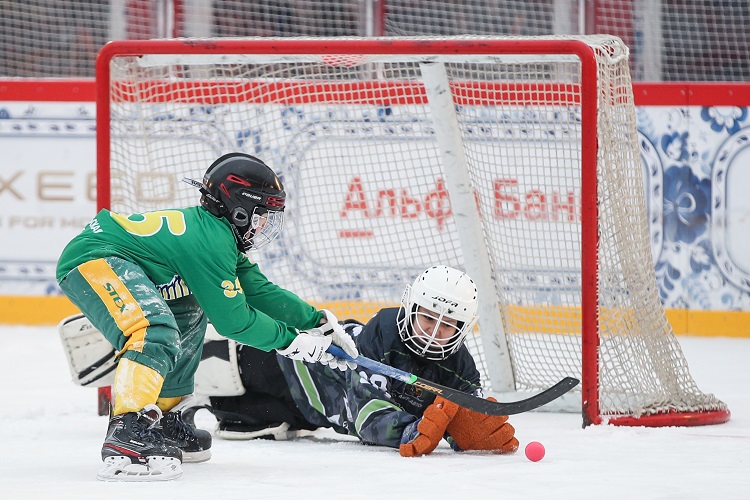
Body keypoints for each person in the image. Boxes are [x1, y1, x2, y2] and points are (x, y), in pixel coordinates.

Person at [55, 152, 358, 481]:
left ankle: (161, 418)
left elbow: (259, 290)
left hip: (113, 257)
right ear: (240, 207)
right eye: (261, 214)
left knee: (189, 313)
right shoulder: (211, 242)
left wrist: (318, 322)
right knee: (152, 329)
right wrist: (292, 341)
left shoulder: (218, 235)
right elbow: (234, 322)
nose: (263, 224)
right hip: (93, 257)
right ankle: (127, 428)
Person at [199, 265, 519, 457]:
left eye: (447, 325)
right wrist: (413, 431)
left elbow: (453, 418)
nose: (433, 333)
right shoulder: (383, 333)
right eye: (427, 318)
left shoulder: (461, 371)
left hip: (302, 415)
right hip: (283, 367)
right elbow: (365, 415)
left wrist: (465, 435)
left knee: (236, 415)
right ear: (410, 308)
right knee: (209, 370)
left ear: (463, 329)